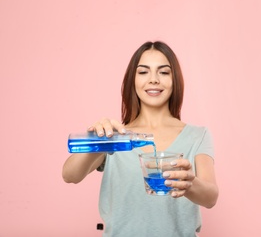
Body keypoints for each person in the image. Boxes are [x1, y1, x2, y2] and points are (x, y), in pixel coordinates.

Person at [62, 41, 219, 237]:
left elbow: (211, 197)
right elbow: (70, 175)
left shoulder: (197, 135)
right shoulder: (115, 136)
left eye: (163, 72)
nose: (153, 80)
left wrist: (189, 182)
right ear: (132, 80)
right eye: (143, 72)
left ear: (175, 80)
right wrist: (98, 138)